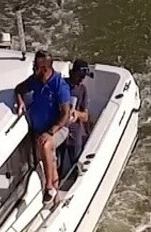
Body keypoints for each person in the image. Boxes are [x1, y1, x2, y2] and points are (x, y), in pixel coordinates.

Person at [12, 50, 74, 204]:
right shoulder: (35, 80)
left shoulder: (60, 86)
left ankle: (48, 187)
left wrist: (50, 132)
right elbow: (19, 88)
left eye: (36, 67)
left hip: (57, 129)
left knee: (46, 145)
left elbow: (65, 114)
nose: (33, 69)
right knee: (47, 159)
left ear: (45, 69)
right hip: (37, 130)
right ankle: (56, 197)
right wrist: (20, 101)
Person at [58, 61, 93, 181]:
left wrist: (77, 114)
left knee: (76, 164)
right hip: (59, 130)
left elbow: (86, 116)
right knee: (57, 165)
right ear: (72, 73)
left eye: (84, 77)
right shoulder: (61, 86)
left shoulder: (83, 90)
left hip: (75, 133)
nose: (81, 79)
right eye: (80, 76)